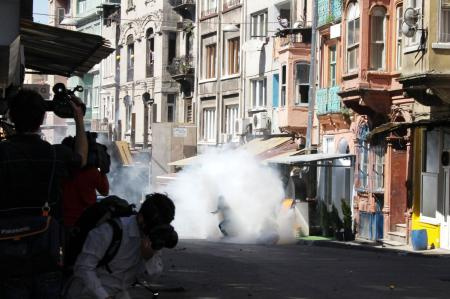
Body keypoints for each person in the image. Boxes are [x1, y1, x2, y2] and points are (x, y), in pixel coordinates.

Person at [0, 88, 88, 299]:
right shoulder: (55, 154)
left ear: (11, 116)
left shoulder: (2, 153)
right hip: (45, 249)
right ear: (41, 120)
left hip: (6, 250)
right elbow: (82, 158)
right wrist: (78, 117)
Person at [65, 193, 178, 299]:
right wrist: (104, 296)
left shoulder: (152, 237)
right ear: (141, 218)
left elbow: (150, 278)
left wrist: (149, 258)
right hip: (87, 293)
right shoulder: (109, 231)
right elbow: (83, 268)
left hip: (119, 293)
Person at [62, 133, 110, 228]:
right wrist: (103, 170)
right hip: (86, 222)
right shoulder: (92, 172)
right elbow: (105, 192)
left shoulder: (62, 170)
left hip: (64, 221)